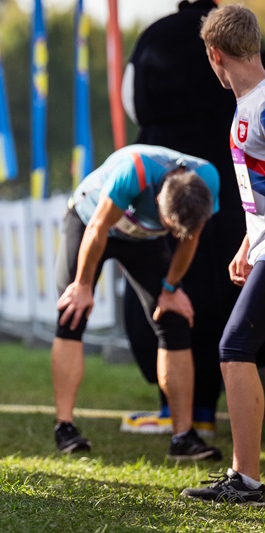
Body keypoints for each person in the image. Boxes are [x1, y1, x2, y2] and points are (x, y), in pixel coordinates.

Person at [120, 0, 243, 439]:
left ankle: (176, 408)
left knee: (164, 297)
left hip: (165, 203)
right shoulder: (240, 36)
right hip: (238, 196)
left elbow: (133, 100)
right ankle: (207, 408)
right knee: (231, 307)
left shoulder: (156, 35)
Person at [51, 144, 222, 461]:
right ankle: (65, 427)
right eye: (168, 224)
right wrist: (84, 285)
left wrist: (170, 288)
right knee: (73, 312)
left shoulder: (207, 179)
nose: (172, 232)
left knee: (173, 320)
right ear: (158, 200)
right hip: (91, 220)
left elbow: (191, 237)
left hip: (141, 239)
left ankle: (183, 437)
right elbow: (98, 228)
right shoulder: (134, 172)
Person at [182, 5, 265, 505]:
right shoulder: (246, 104)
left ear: (215, 54)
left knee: (234, 348)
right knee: (238, 349)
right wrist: (248, 244)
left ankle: (247, 479)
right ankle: (245, 476)